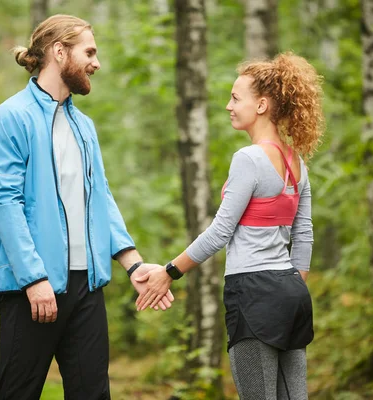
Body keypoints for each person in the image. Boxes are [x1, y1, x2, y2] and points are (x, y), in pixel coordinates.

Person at [0, 14, 173, 400]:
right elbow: (5, 204)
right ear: (59, 51)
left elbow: (100, 199)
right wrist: (34, 280)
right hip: (31, 289)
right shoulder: (9, 118)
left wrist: (133, 264)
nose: (96, 63)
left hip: (87, 287)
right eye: (90, 52)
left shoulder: (84, 127)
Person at [135, 52, 324, 399]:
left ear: (263, 105)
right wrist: (291, 284)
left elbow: (220, 231)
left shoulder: (248, 159)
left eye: (236, 98)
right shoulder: (296, 161)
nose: (228, 106)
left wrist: (169, 271)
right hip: (292, 294)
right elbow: (304, 233)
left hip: (252, 292)